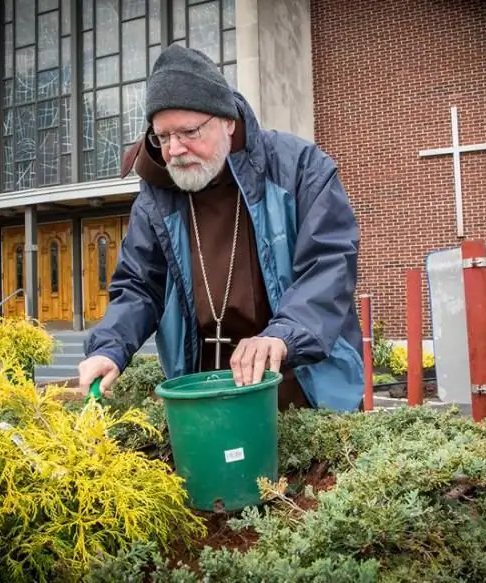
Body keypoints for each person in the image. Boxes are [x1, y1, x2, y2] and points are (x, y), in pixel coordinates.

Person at [76, 44, 364, 412]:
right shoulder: (157, 198)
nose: (175, 149)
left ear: (228, 121)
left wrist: (282, 335)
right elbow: (138, 286)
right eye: (163, 137)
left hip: (306, 385)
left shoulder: (300, 168)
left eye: (188, 132)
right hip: (205, 394)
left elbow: (329, 266)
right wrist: (109, 348)